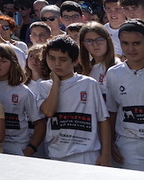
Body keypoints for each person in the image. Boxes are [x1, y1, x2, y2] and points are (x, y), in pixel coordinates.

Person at [39, 35, 111, 165]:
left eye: (63, 59)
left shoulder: (89, 84)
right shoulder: (44, 87)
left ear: (75, 61)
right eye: (52, 58)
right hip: (57, 154)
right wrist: (56, 83)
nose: (56, 64)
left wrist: (106, 154)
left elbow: (103, 119)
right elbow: (48, 112)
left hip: (86, 154)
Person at [0, 44, 45, 156]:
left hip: (16, 147)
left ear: (12, 63)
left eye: (3, 61)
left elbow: (40, 123)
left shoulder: (23, 91)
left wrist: (31, 149)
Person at [106, 20, 144, 170]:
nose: (131, 49)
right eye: (125, 43)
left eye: (137, 43)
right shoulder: (114, 73)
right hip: (128, 145)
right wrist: (110, 144)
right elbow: (112, 111)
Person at [78, 22, 119, 98]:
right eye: (89, 41)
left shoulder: (117, 66)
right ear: (83, 44)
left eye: (99, 40)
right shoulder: (82, 68)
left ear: (108, 40)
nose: (95, 44)